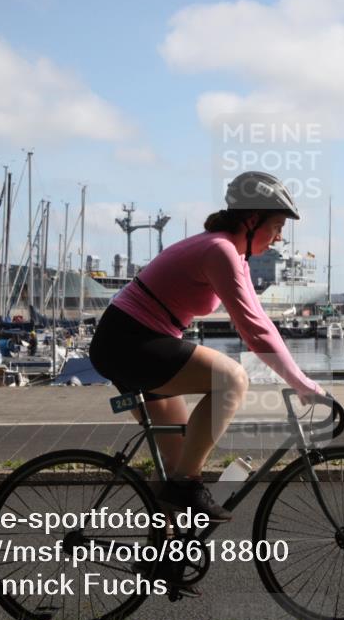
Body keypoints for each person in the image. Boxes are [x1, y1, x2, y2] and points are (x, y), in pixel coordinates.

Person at [90, 171, 325, 523]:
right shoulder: (219, 250)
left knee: (177, 461)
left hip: (131, 341)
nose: (279, 237)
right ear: (251, 220)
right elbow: (253, 331)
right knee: (232, 379)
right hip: (130, 341)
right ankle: (187, 485)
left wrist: (298, 377)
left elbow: (261, 321)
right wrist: (300, 382)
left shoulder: (232, 254)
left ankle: (165, 550)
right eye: (276, 226)